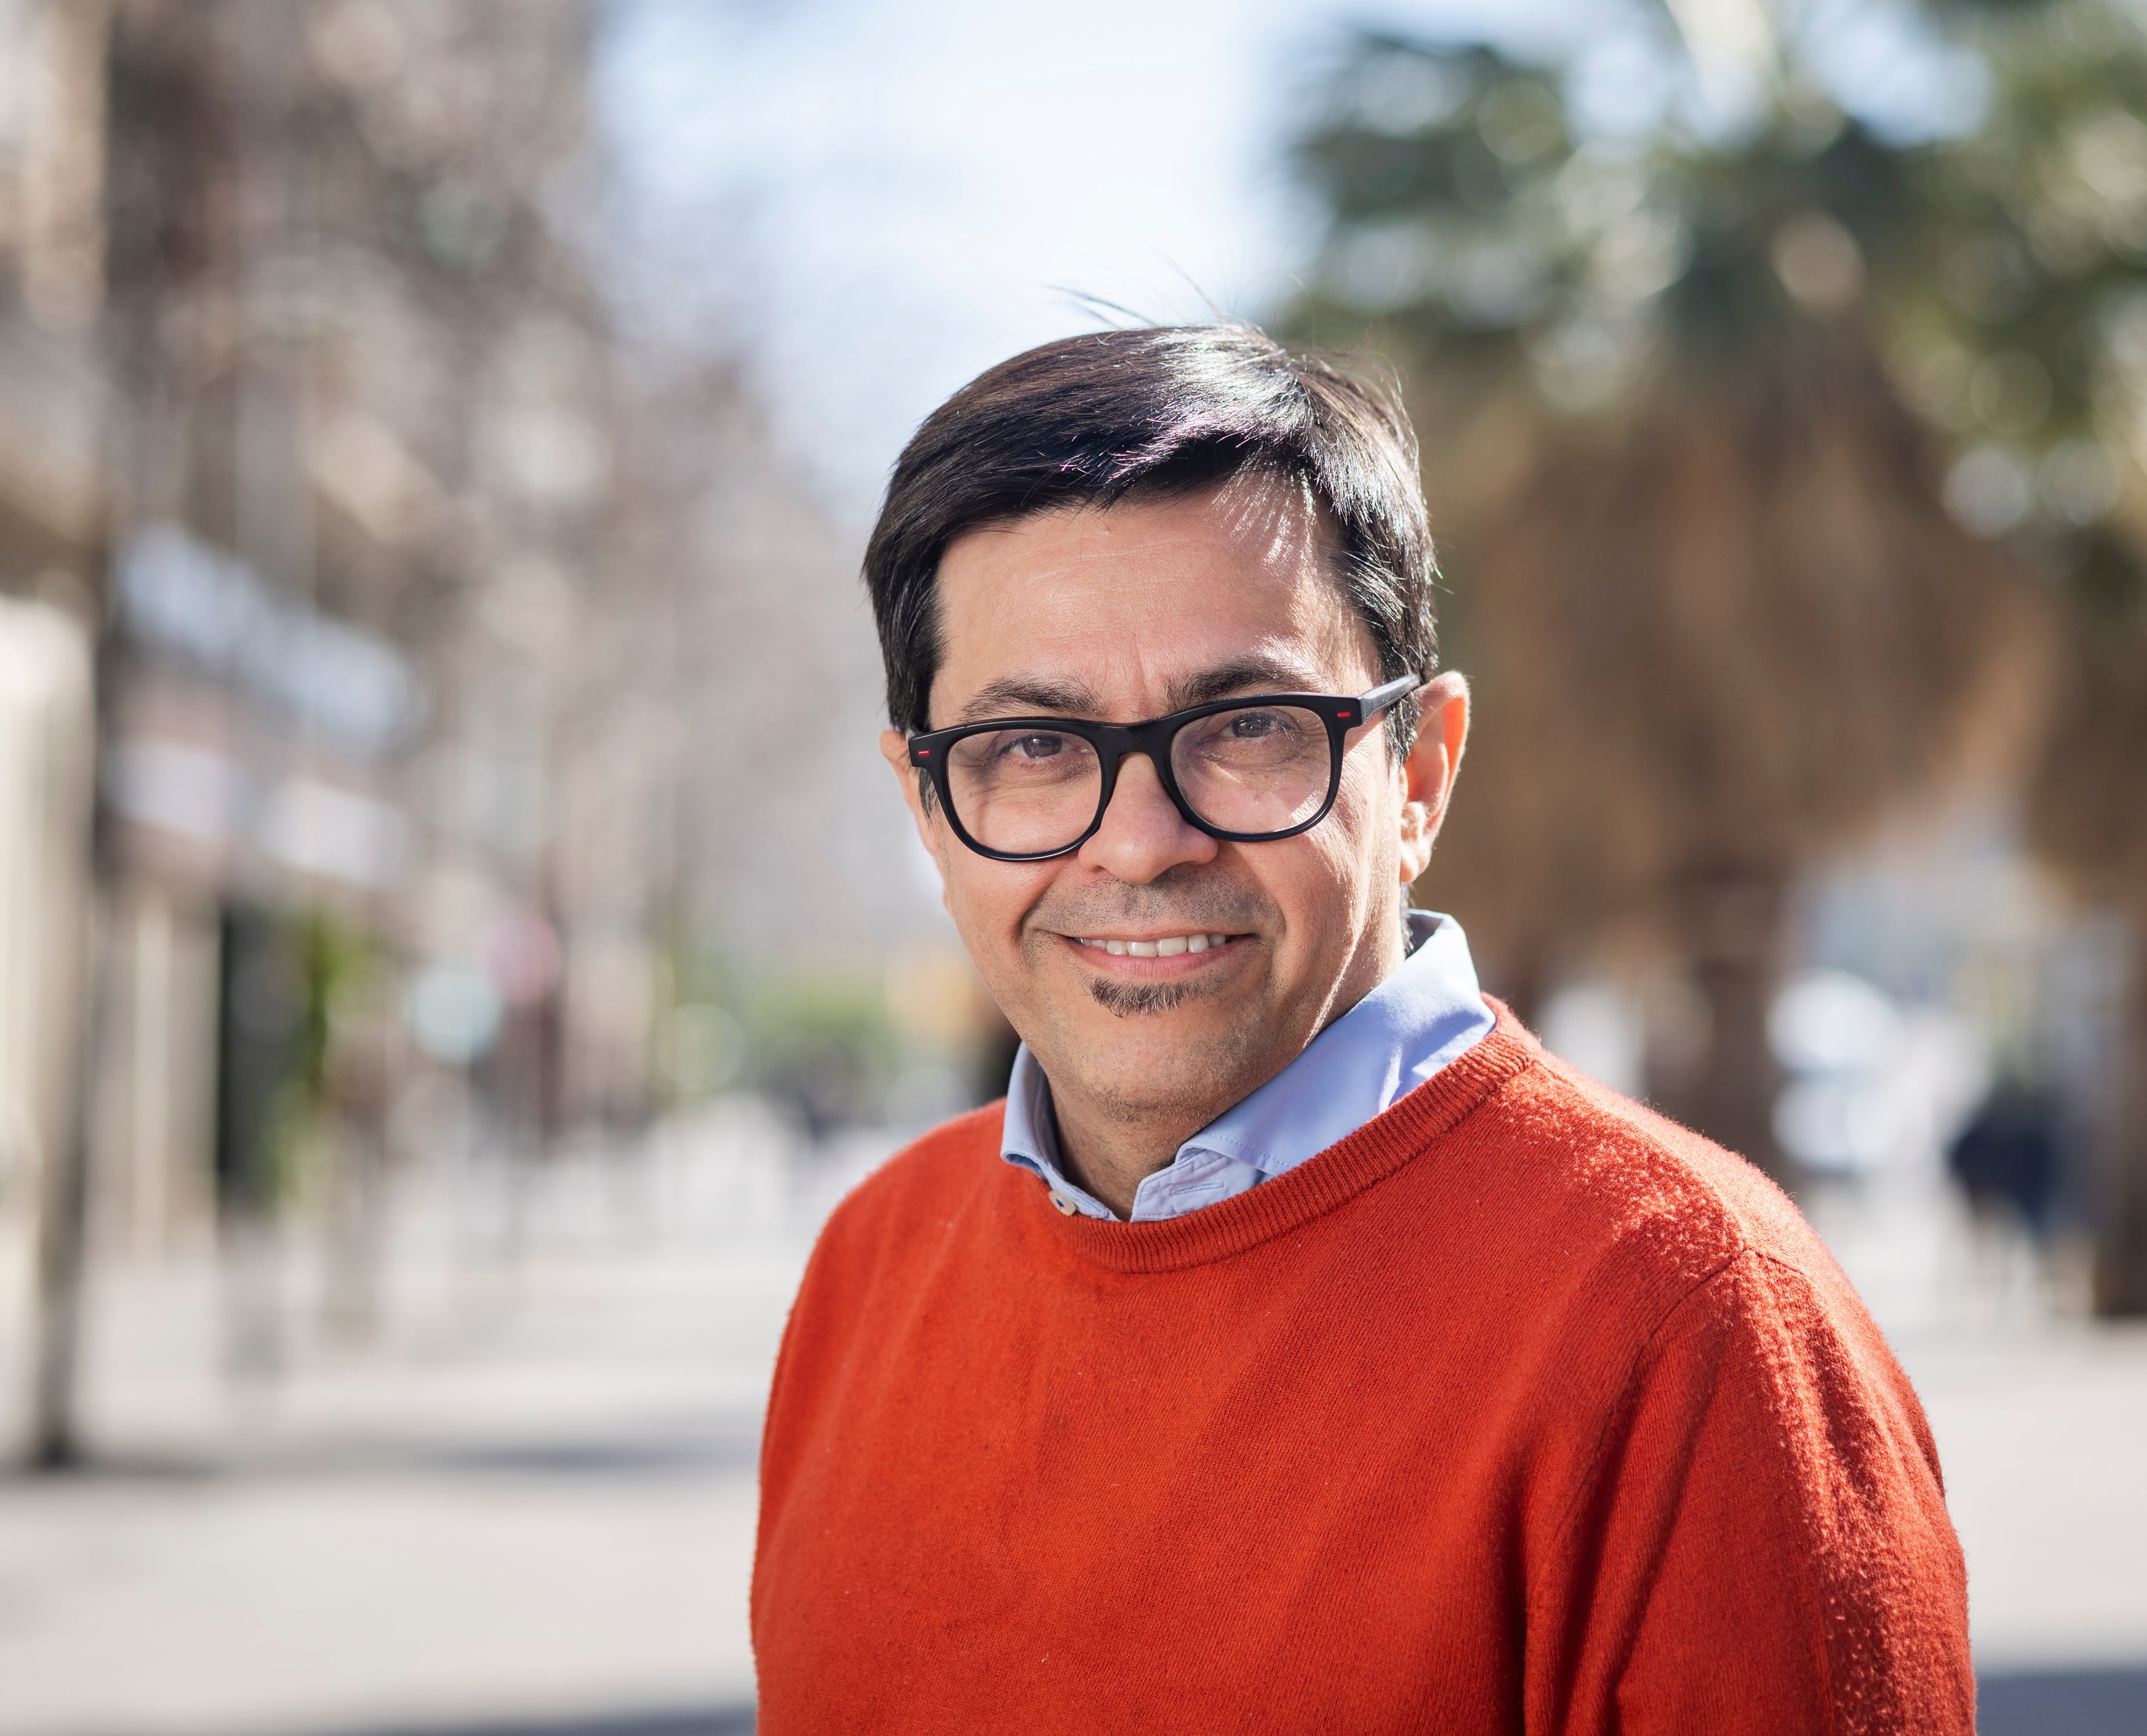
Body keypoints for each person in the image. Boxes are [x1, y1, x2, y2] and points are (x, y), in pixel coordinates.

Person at [749, 324, 1973, 1733]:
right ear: (926, 807)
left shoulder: (1696, 1327)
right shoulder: (870, 1268)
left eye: (1250, 726)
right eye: (1033, 746)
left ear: (1420, 780)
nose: (1140, 843)